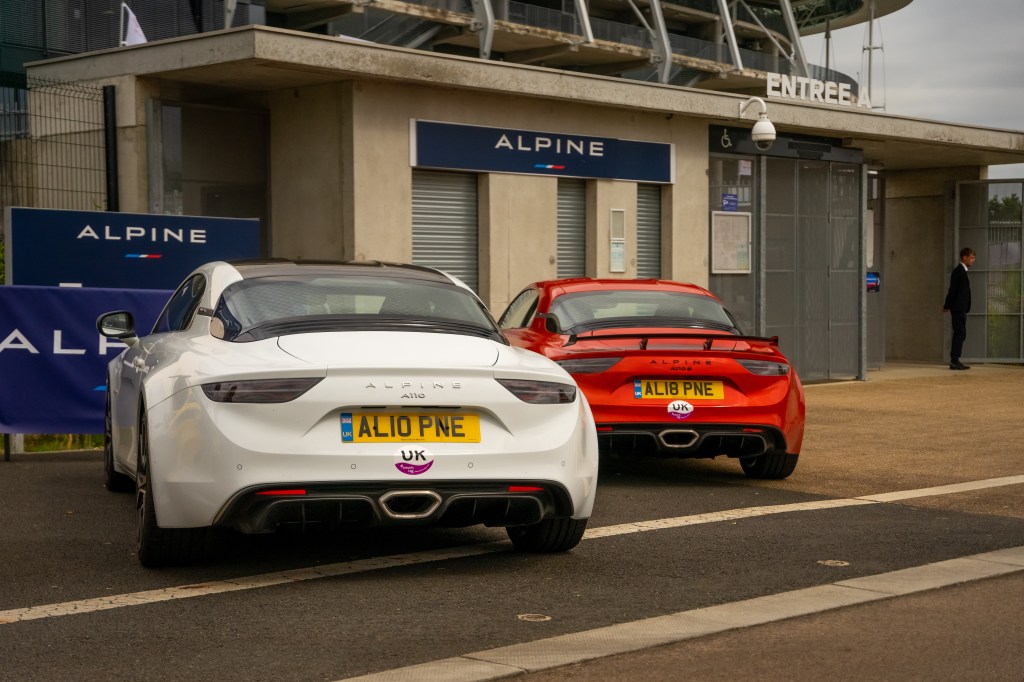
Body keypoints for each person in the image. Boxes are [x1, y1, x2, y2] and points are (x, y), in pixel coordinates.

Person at [942, 246, 975, 370]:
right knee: (960, 333)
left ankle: (955, 360)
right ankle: (954, 361)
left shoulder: (962, 271)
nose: (973, 260)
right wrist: (947, 305)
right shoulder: (958, 271)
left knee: (960, 333)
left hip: (961, 308)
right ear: (964, 257)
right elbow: (953, 290)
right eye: (971, 257)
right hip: (958, 308)